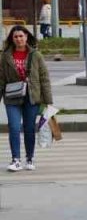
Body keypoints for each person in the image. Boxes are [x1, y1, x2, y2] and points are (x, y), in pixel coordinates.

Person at [2, 26, 52, 172]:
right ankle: (15, 160)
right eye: (15, 36)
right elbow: (1, 78)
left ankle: (29, 158)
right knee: (14, 127)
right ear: (12, 39)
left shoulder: (36, 55)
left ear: (26, 37)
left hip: (31, 97)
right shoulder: (5, 56)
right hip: (12, 97)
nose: (18, 39)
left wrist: (48, 101)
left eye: (21, 36)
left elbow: (44, 78)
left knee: (29, 129)